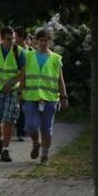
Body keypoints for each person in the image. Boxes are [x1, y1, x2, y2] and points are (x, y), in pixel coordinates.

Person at [18, 28, 68, 166]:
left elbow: (60, 80)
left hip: (50, 98)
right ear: (36, 41)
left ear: (50, 42)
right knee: (31, 127)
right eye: (41, 40)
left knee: (47, 128)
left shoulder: (56, 59)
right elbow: (23, 77)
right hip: (31, 96)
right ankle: (36, 142)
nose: (43, 43)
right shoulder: (28, 56)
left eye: (46, 40)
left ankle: (45, 155)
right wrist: (19, 93)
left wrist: (64, 97)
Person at [0, 26, 26, 163]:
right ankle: (0, 139)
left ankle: (6, 150)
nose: (12, 41)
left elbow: (24, 73)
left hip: (12, 90)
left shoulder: (19, 52)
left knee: (9, 119)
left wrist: (13, 83)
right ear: (2, 39)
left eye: (13, 38)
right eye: (9, 39)